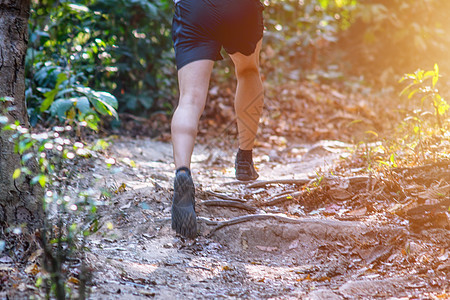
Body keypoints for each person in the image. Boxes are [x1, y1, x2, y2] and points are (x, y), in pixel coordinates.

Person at [170, 0, 265, 238]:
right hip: (241, 7)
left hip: (194, 8)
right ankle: (245, 158)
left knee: (189, 99)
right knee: (248, 70)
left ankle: (183, 172)